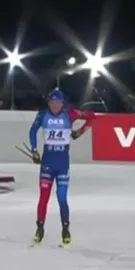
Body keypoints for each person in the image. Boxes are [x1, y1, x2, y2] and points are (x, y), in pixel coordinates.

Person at [28, 89, 93, 246]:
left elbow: (92, 117)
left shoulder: (69, 114)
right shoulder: (43, 115)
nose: (55, 106)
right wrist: (34, 150)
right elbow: (33, 131)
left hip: (62, 164)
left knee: (62, 198)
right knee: (44, 198)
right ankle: (40, 229)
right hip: (48, 163)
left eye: (58, 103)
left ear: (62, 103)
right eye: (52, 102)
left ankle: (65, 229)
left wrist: (80, 131)